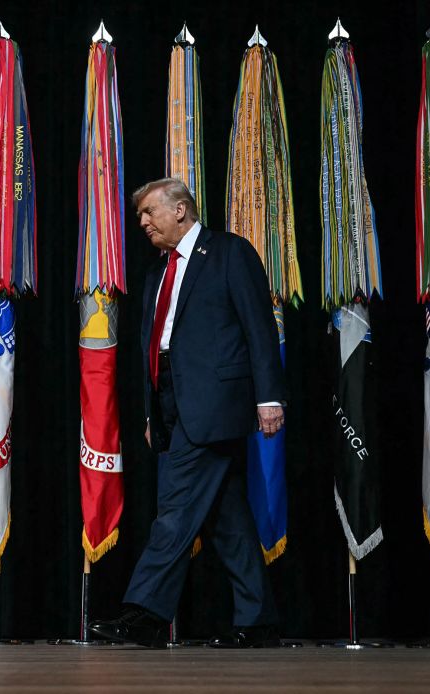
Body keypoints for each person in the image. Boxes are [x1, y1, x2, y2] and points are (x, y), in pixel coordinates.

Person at [89, 178, 285, 649]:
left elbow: (259, 327)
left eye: (149, 213)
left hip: (216, 403)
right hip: (173, 404)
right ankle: (258, 622)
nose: (142, 223)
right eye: (139, 216)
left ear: (180, 211)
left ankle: (145, 615)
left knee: (175, 509)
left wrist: (270, 398)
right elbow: (154, 346)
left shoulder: (230, 253)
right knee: (226, 517)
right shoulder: (158, 273)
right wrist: (153, 412)